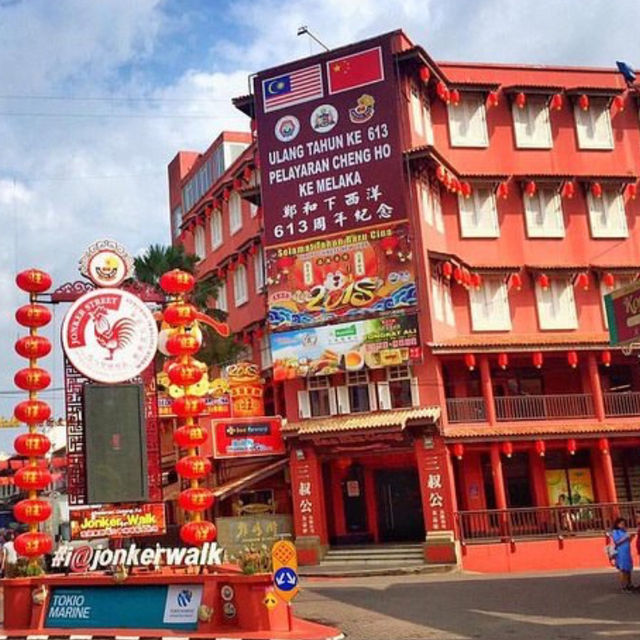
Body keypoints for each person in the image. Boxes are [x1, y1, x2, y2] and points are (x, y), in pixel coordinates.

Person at [610, 517, 635, 591]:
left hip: (627, 552)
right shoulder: (615, 532)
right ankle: (623, 586)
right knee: (622, 569)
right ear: (617, 524)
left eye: (624, 524)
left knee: (628, 569)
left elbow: (627, 541)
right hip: (621, 552)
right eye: (621, 524)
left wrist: (631, 538)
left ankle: (629, 584)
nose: (623, 525)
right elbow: (617, 542)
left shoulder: (624, 531)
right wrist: (626, 537)